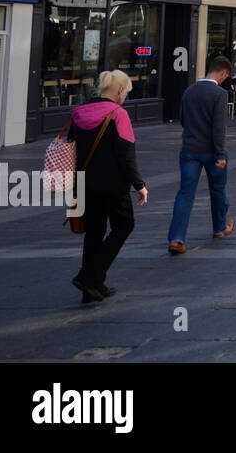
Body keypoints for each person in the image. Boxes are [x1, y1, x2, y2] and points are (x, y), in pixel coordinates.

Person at [70, 70, 147, 303]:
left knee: (94, 232)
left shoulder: (79, 113)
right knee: (124, 226)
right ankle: (88, 276)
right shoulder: (118, 114)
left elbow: (71, 148)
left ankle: (92, 287)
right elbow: (126, 156)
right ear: (121, 90)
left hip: (83, 183)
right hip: (112, 185)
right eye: (127, 93)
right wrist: (139, 185)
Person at [168, 55, 235, 255]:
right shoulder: (219, 94)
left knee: (185, 194)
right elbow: (219, 127)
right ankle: (219, 227)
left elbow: (182, 120)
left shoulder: (189, 91)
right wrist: (220, 153)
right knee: (218, 189)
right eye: (226, 76)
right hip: (212, 151)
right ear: (222, 73)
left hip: (189, 150)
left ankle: (177, 238)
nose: (224, 79)